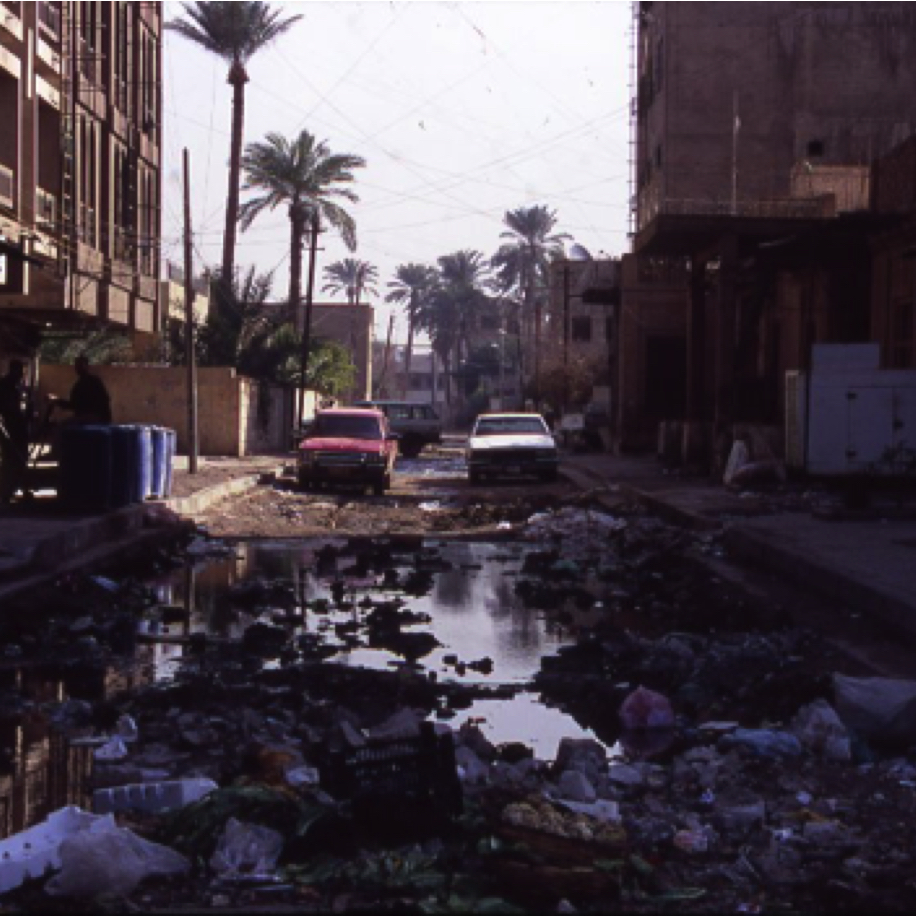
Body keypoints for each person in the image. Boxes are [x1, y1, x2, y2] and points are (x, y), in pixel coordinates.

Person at [49, 355, 112, 424]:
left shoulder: (89, 382)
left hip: (94, 419)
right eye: (76, 365)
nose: (77, 367)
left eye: (80, 365)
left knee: (64, 426)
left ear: (87, 366)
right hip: (97, 418)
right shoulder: (87, 382)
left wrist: (56, 400)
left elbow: (74, 405)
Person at [0, 359, 30, 503]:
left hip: (19, 428)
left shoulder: (16, 387)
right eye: (20, 371)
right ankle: (6, 492)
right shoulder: (5, 386)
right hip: (11, 428)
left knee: (21, 458)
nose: (21, 375)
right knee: (12, 460)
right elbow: (9, 409)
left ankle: (18, 489)